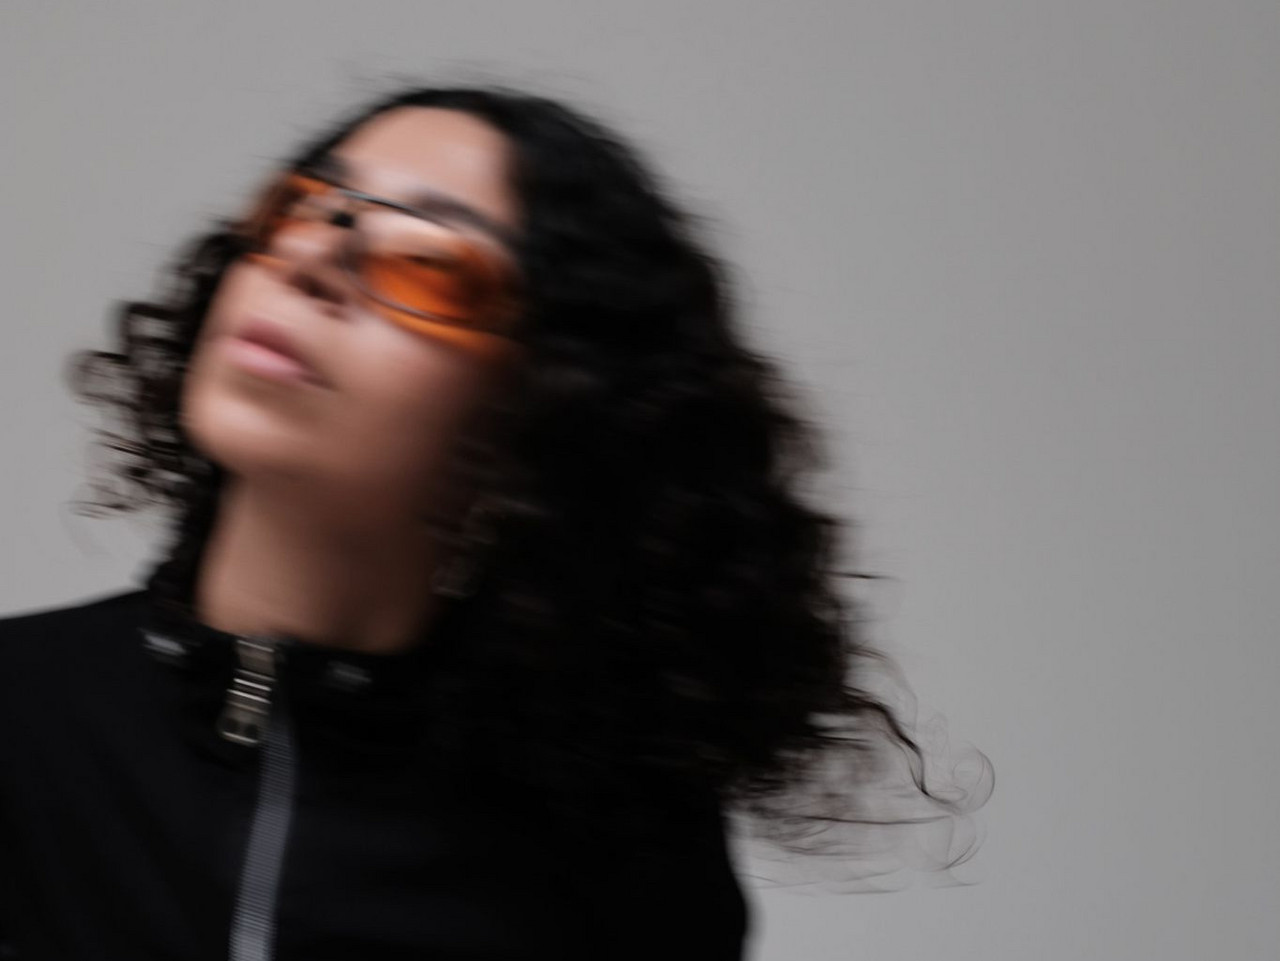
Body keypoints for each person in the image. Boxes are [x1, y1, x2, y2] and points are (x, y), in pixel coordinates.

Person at [0, 82, 990, 960]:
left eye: (426, 261)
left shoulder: (620, 849)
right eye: (302, 207)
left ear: (541, 403)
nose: (312, 259)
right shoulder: (22, 717)